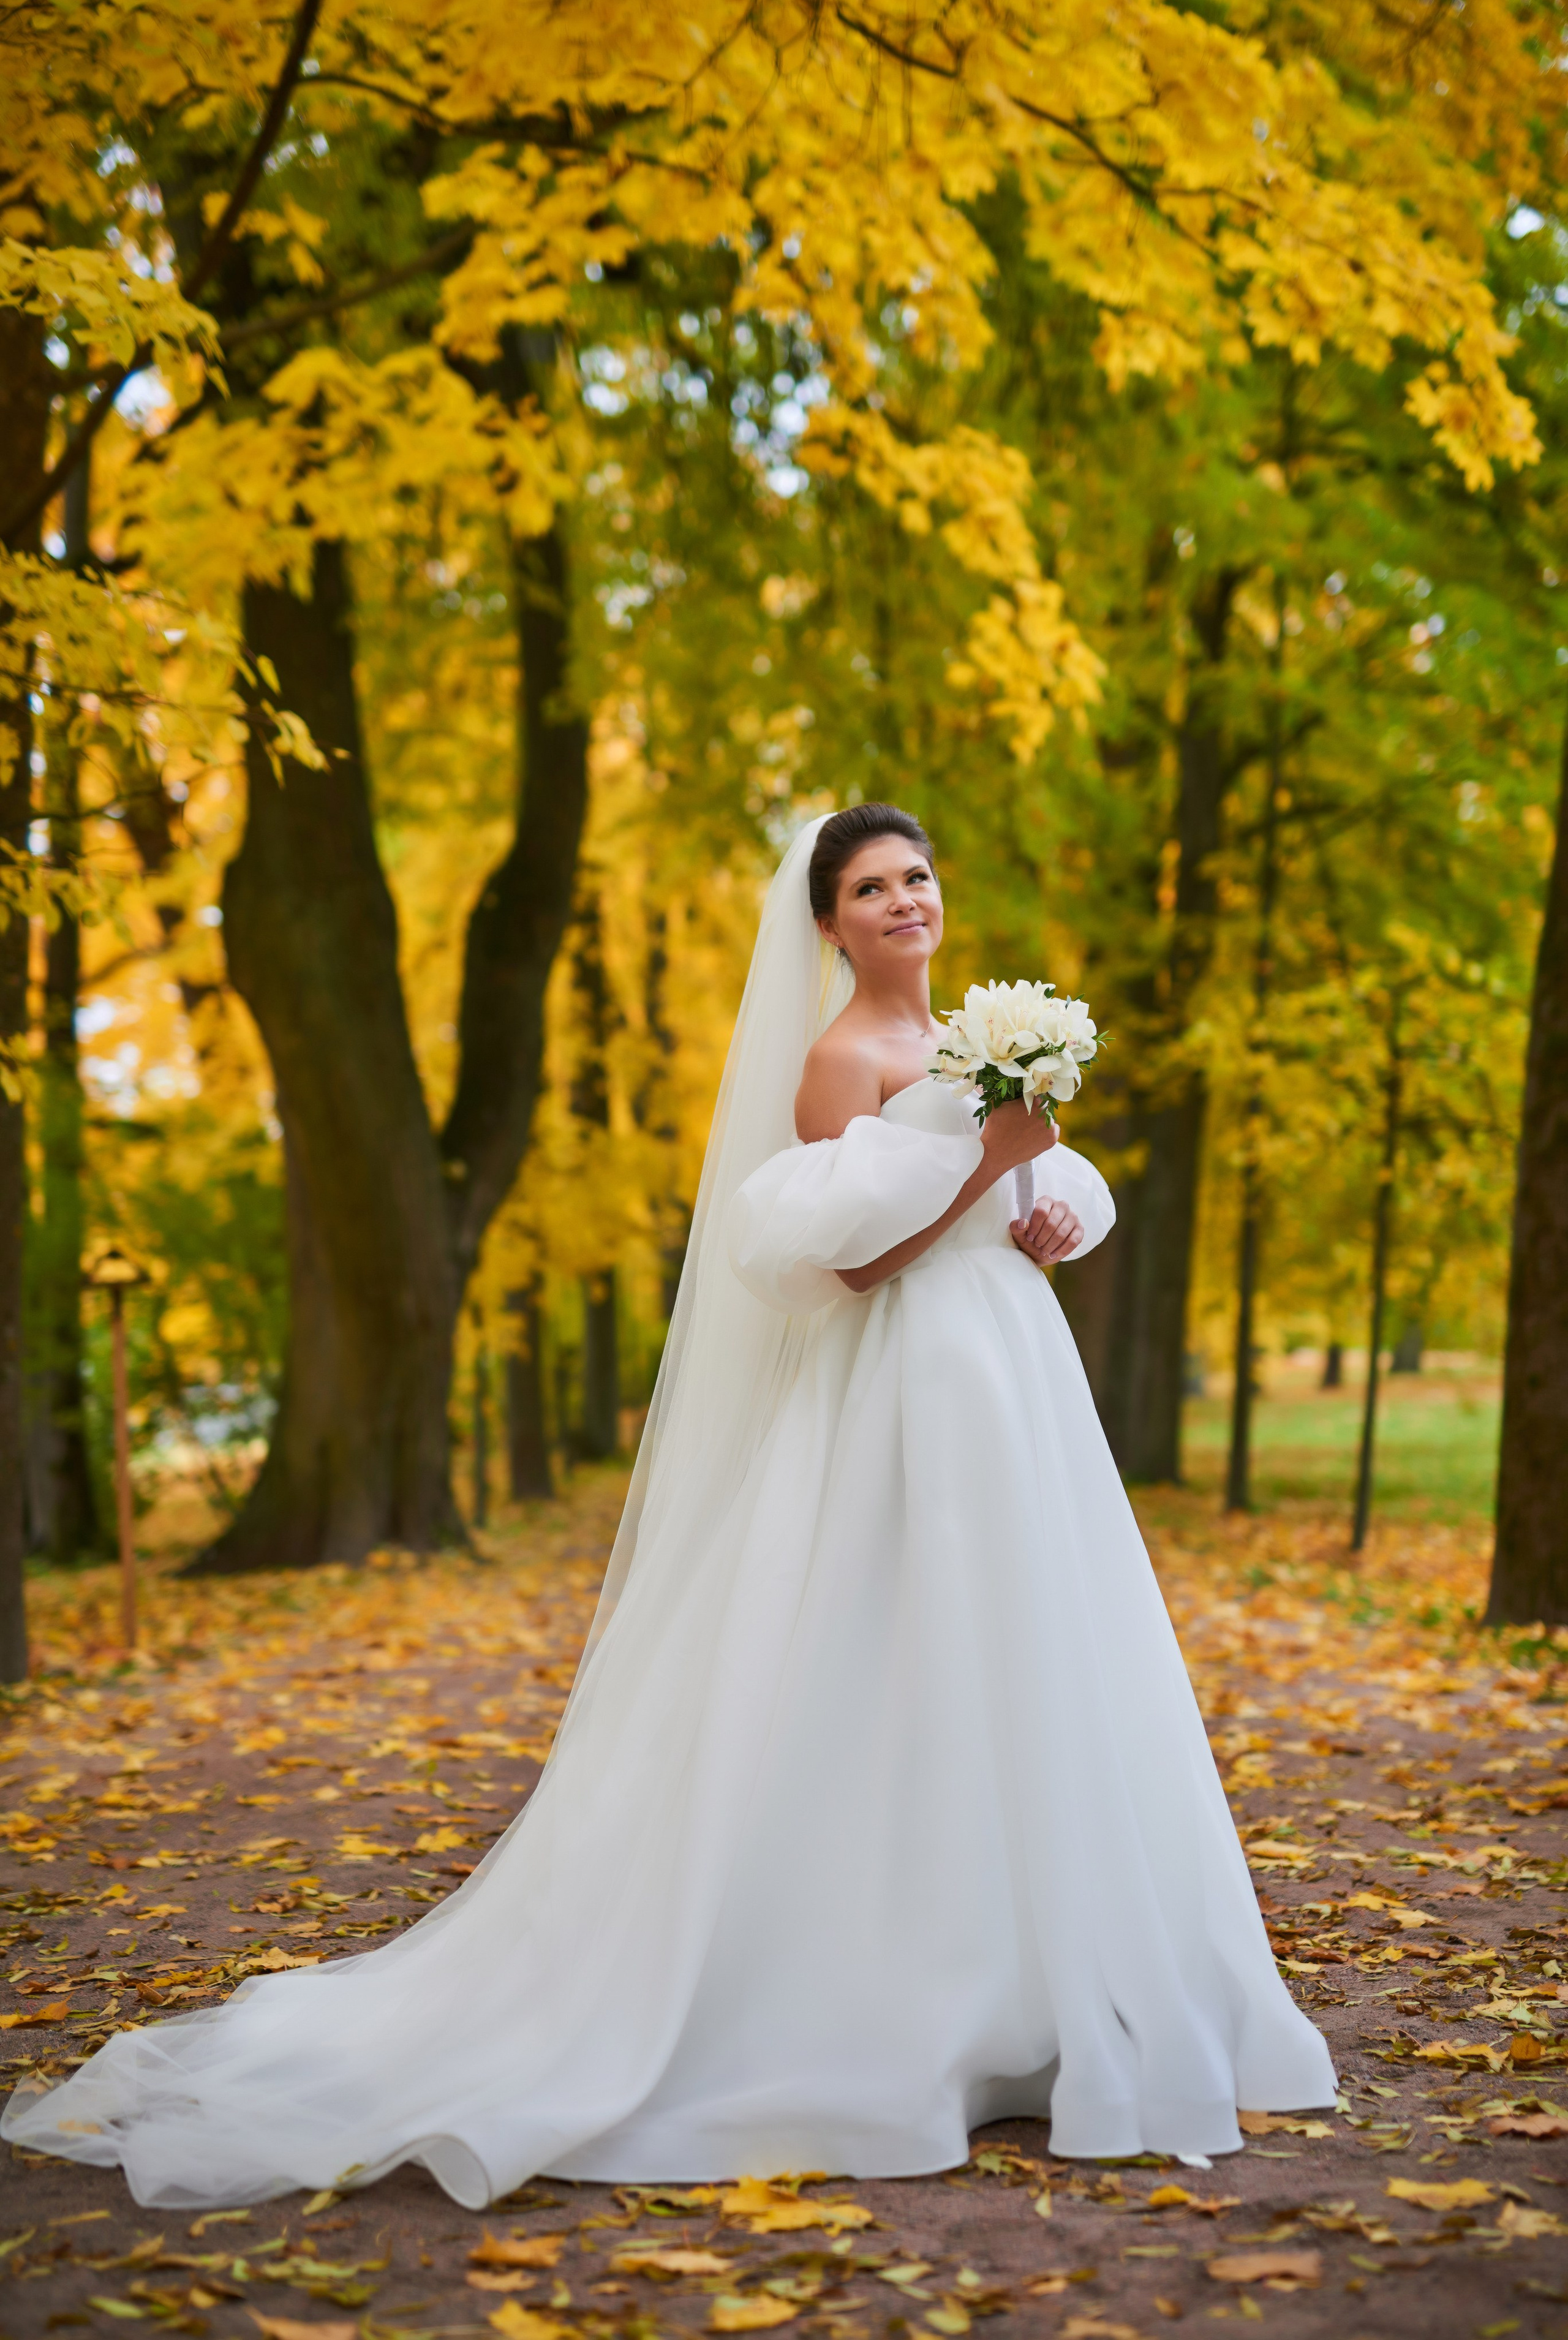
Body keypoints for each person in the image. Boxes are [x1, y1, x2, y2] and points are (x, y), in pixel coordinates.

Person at [2, 805, 1334, 2210]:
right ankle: (900, 1998)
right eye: (869, 887)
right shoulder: (837, 1062)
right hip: (896, 1392)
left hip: (1009, 1387)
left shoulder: (972, 1050)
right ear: (827, 922)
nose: (900, 901)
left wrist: (1039, 1208)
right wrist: (989, 1169)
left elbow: (998, 1211)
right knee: (898, 1661)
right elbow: (863, 1263)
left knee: (1028, 1655)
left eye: (916, 878)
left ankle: (1044, 1995)